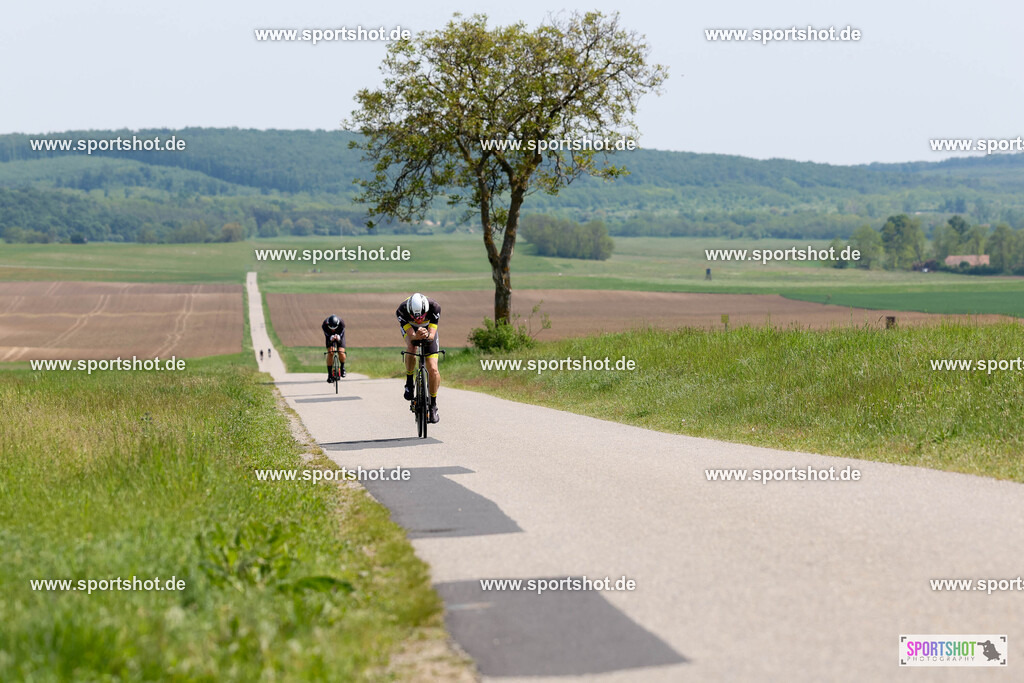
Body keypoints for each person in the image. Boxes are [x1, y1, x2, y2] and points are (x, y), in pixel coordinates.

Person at [396, 292, 441, 423]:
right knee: (411, 346)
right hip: (411, 330)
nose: (418, 320)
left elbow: (431, 336)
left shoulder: (434, 307)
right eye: (414, 317)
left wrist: (426, 335)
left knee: (433, 369)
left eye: (421, 316)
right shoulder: (401, 310)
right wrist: (416, 336)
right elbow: (412, 337)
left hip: (428, 330)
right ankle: (409, 382)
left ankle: (433, 405)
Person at [322, 314, 346, 382]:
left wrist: (339, 338)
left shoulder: (341, 323)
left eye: (335, 328)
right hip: (329, 336)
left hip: (340, 336)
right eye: (331, 328)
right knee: (330, 352)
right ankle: (330, 374)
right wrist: (330, 338)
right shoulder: (324, 324)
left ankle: (342, 367)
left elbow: (342, 333)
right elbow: (326, 335)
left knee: (341, 352)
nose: (333, 330)